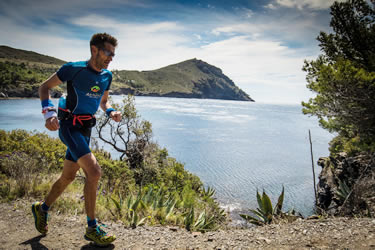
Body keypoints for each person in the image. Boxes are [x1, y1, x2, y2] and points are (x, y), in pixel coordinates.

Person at [32, 33, 121, 246]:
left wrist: (111, 112)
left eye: (113, 54)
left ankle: (41, 209)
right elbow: (45, 87)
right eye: (108, 52)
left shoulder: (107, 76)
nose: (111, 57)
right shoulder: (73, 69)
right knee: (94, 172)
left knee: (68, 177)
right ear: (94, 50)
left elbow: (104, 102)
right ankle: (92, 228)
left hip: (86, 128)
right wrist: (49, 114)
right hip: (69, 127)